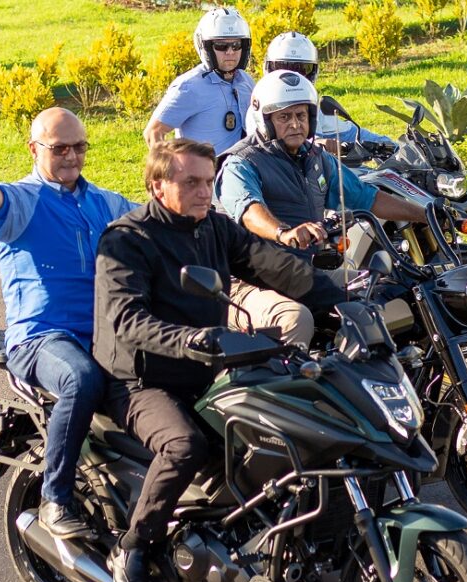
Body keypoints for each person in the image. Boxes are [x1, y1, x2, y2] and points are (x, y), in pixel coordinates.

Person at [92, 139, 345, 582]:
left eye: (209, 181)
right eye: (191, 182)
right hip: (140, 382)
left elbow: (275, 266)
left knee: (283, 433)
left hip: (206, 371)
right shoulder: (127, 239)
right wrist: (189, 339)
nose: (204, 191)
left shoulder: (213, 227)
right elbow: (127, 319)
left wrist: (353, 298)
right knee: (184, 445)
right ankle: (133, 546)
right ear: (157, 186)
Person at [0, 107, 136, 540]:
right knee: (80, 379)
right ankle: (56, 500)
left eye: (79, 147)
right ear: (34, 149)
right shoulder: (23, 201)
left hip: (105, 335)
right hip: (42, 339)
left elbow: (159, 222)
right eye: (60, 148)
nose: (72, 157)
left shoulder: (106, 203)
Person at [216, 71, 426, 345]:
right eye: (284, 117)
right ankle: (292, 387)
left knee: (393, 294)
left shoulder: (316, 158)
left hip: (305, 270)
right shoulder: (241, 163)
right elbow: (249, 211)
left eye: (301, 116)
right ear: (264, 120)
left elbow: (368, 197)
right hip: (247, 282)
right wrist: (284, 233)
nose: (295, 124)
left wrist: (425, 213)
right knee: (295, 319)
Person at [244, 31, 395, 151]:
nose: (292, 79)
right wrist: (316, 144)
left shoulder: (312, 109)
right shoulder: (259, 111)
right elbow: (270, 145)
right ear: (269, 69)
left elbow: (351, 133)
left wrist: (392, 146)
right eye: (283, 68)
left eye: (301, 70)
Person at [143, 7, 254, 154]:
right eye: (221, 46)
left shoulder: (247, 81)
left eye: (236, 45)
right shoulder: (189, 86)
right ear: (206, 47)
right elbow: (154, 132)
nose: (230, 52)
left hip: (242, 173)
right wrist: (168, 172)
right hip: (204, 174)